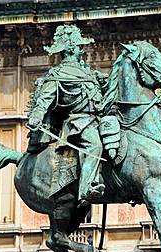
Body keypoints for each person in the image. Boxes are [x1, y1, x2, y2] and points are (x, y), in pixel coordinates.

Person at [26, 25, 107, 206]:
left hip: (98, 119)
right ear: (71, 49)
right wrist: (37, 115)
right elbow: (45, 98)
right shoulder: (58, 75)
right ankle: (88, 186)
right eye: (79, 46)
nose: (82, 50)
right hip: (78, 123)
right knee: (94, 146)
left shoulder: (89, 72)